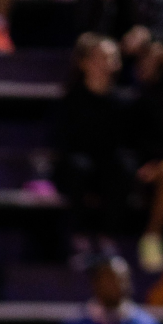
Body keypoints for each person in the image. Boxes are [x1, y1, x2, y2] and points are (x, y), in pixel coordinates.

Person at [54, 34, 136, 266]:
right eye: (100, 57)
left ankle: (107, 240)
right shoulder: (70, 100)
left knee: (124, 167)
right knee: (77, 167)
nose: (106, 63)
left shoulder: (124, 102)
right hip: (77, 167)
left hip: (108, 168)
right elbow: (62, 143)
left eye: (111, 57)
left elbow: (129, 143)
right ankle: (79, 240)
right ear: (84, 62)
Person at [135, 31, 163, 274]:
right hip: (157, 169)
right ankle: (151, 237)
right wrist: (149, 162)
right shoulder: (151, 95)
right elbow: (137, 136)